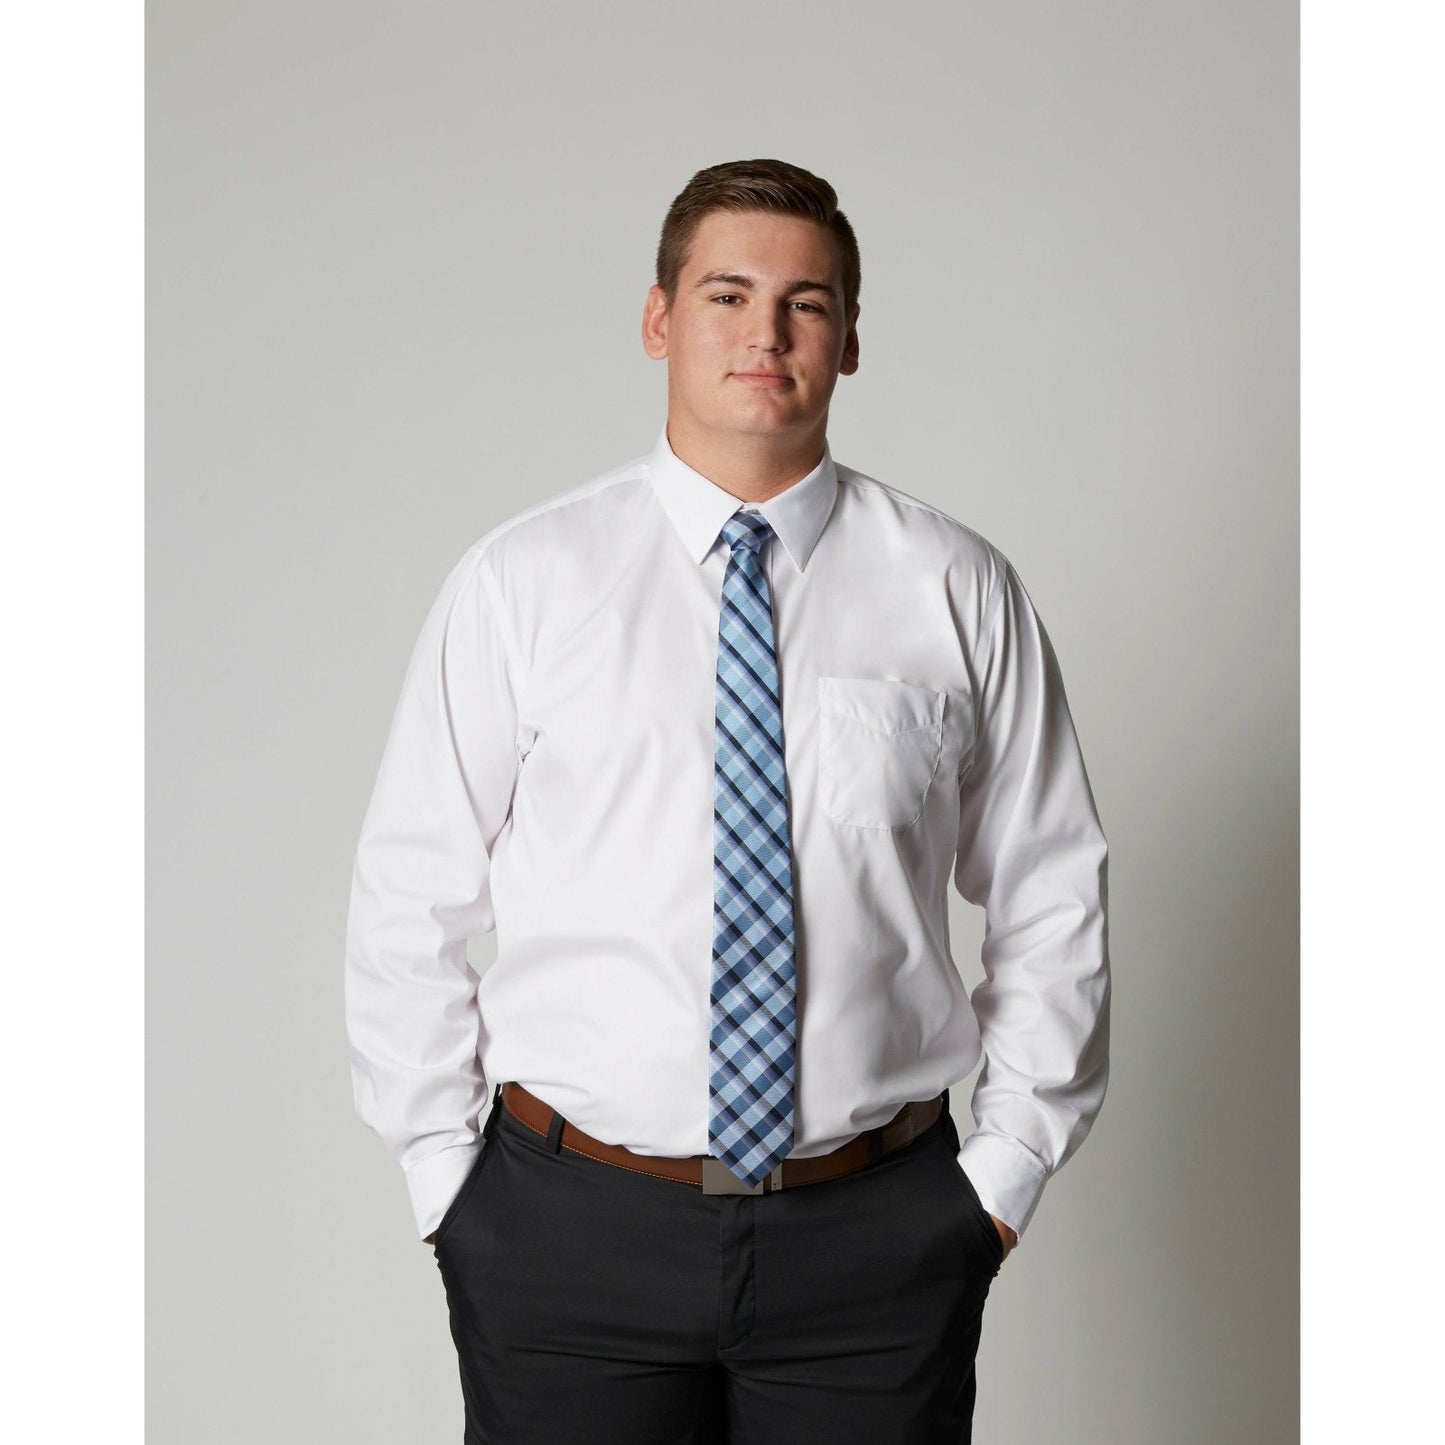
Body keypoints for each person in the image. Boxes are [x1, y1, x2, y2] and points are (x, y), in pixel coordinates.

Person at [345, 157, 1110, 1443]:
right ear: (659, 319)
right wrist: (445, 1182)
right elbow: (407, 893)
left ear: (848, 339)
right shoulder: (523, 582)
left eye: (806, 303)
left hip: (876, 1242)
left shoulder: (952, 587)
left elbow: (1050, 886)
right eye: (726, 294)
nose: (766, 333)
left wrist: (1003, 1173)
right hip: (564, 1235)